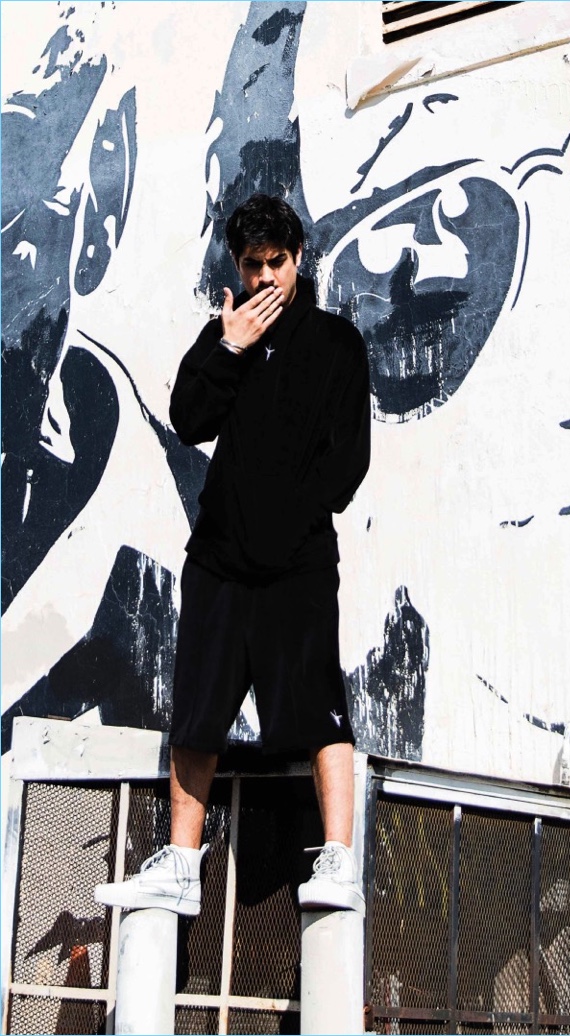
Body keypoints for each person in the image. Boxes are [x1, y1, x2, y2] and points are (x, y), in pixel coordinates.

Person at [95, 194, 371, 917]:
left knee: (319, 708)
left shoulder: (336, 343)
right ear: (237, 266)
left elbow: (350, 461)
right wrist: (229, 348)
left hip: (298, 563)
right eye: (252, 265)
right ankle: (182, 865)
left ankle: (339, 859)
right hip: (220, 562)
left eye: (276, 262)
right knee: (197, 714)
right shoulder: (223, 335)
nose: (265, 278)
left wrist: (294, 517)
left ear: (298, 258)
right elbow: (188, 420)